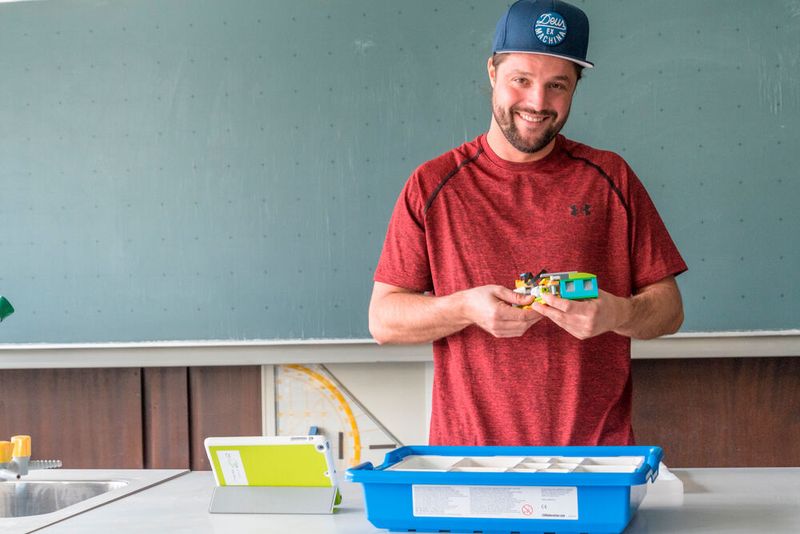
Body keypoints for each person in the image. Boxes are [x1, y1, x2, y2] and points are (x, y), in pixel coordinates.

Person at [369, 0, 687, 447]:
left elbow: (669, 309)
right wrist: (463, 308)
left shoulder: (610, 177)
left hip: (596, 459)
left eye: (557, 84)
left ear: (576, 86)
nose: (538, 102)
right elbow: (383, 320)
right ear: (493, 73)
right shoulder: (433, 184)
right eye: (522, 80)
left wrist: (617, 312)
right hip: (470, 460)